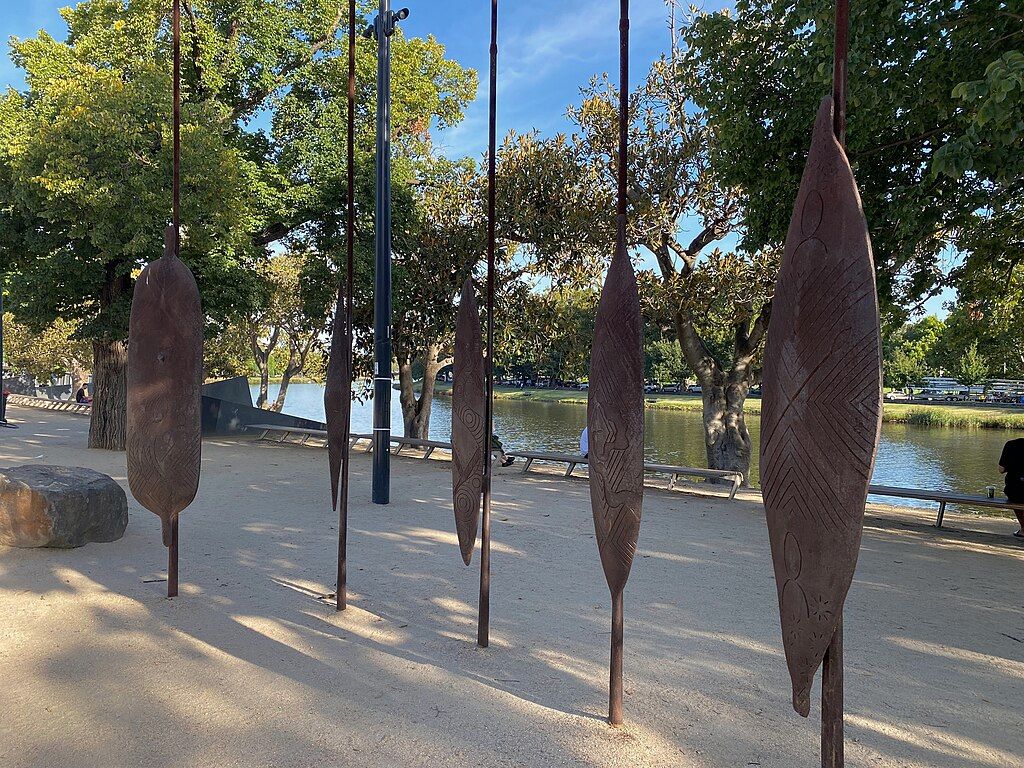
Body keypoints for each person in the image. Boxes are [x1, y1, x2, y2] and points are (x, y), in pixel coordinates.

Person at [999, 437, 1024, 538]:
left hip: (1015, 490)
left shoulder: (1011, 444)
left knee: (1015, 496)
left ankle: (1023, 529)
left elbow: (1001, 469)